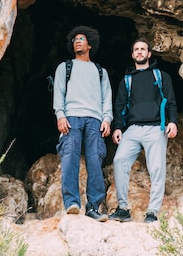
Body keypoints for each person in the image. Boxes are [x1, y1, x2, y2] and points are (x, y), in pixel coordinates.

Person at [109, 38, 178, 223]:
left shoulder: (161, 76)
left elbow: (170, 101)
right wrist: (117, 127)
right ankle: (123, 208)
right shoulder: (127, 80)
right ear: (132, 55)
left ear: (149, 54)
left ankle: (152, 212)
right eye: (136, 49)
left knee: (157, 169)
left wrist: (173, 122)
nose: (139, 52)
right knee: (119, 160)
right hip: (132, 129)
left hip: (156, 128)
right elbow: (119, 106)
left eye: (143, 49)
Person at [53, 25, 113, 221]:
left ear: (90, 44)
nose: (77, 42)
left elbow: (107, 98)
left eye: (81, 39)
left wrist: (107, 119)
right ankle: (71, 203)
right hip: (71, 117)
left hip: (95, 119)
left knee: (95, 160)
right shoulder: (65, 67)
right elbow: (58, 92)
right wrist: (60, 115)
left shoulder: (100, 71)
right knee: (69, 157)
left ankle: (93, 207)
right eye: (74, 40)